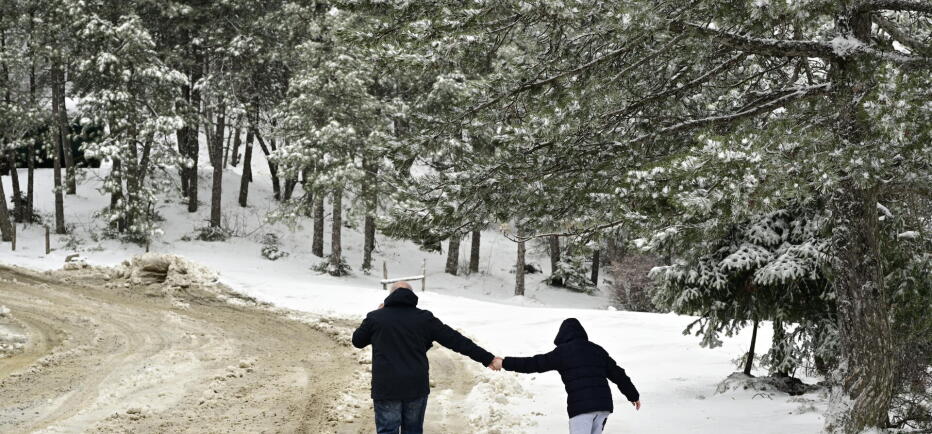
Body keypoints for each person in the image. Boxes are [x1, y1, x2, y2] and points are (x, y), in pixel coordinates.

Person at [352, 281, 499, 434]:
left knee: (387, 431)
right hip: (416, 386)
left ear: (390, 295)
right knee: (413, 431)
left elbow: (357, 341)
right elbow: (456, 340)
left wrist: (376, 314)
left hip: (386, 387)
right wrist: (487, 358)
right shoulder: (424, 318)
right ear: (411, 295)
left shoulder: (376, 317)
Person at [490, 318, 640, 434]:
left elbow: (533, 364)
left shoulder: (562, 352)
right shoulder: (597, 350)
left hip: (581, 409)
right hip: (603, 407)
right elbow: (619, 374)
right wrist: (633, 395)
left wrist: (504, 363)